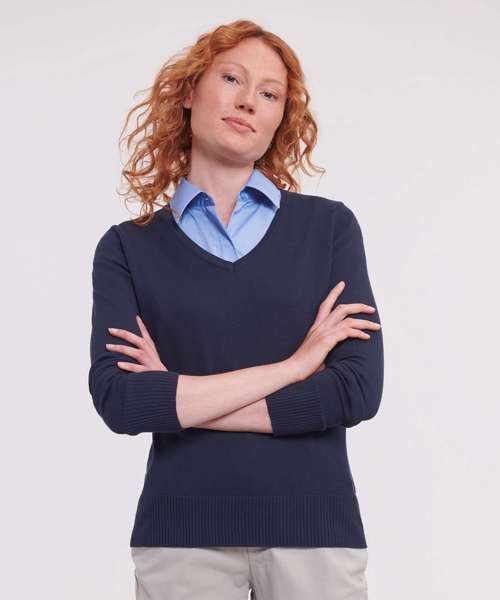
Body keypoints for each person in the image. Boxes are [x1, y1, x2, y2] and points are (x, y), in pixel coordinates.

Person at [89, 19, 384, 600]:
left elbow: (355, 391)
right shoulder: (128, 247)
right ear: (189, 92)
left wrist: (179, 397)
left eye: (269, 94)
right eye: (231, 79)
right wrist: (294, 368)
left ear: (279, 120)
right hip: (181, 536)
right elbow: (121, 399)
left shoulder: (329, 230)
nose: (249, 100)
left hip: (315, 533)